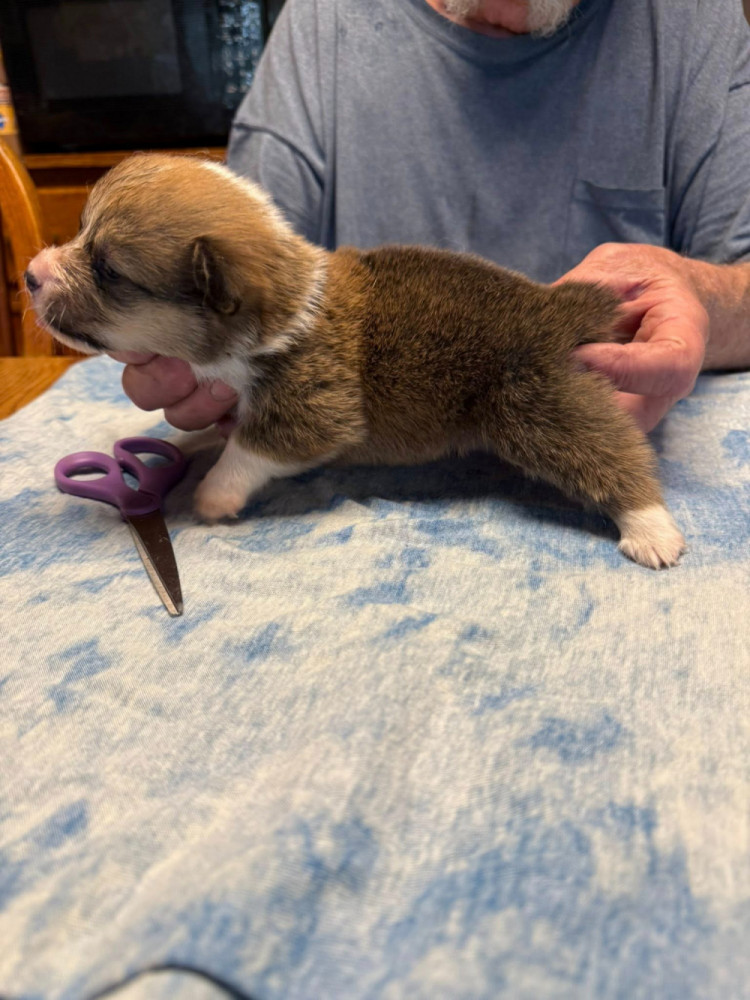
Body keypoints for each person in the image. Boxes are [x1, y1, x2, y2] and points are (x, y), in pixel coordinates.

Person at [115, 0, 750, 436]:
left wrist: (703, 295)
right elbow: (236, 289)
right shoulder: (325, 22)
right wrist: (195, 339)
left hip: (588, 440)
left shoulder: (694, 22)